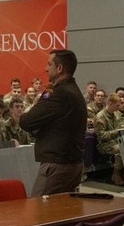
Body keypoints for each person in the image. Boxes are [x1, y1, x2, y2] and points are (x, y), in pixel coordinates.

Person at [19, 49, 87, 196]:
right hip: (73, 163)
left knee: (39, 211)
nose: (45, 68)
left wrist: (25, 113)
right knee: (62, 213)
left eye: (49, 64)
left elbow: (27, 121)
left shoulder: (58, 93)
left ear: (60, 68)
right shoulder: (75, 91)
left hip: (57, 166)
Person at [95, 93, 124, 186]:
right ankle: (116, 174)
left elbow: (122, 125)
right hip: (104, 144)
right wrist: (116, 131)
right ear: (110, 103)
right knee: (120, 149)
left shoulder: (117, 115)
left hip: (117, 141)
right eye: (117, 105)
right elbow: (101, 136)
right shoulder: (100, 117)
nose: (118, 107)